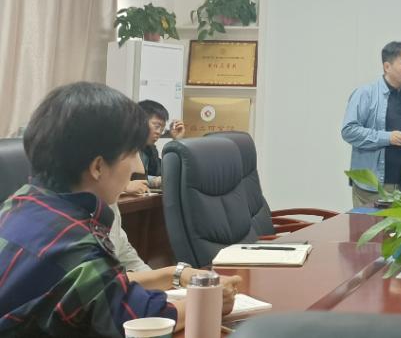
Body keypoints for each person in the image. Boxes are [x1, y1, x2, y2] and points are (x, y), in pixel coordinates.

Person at [0, 82, 240, 336]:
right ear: (98, 167)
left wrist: (174, 273)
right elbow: (139, 320)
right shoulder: (74, 244)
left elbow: (102, 286)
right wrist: (209, 301)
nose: (137, 166)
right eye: (132, 153)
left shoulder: (21, 202)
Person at [342, 41, 401, 208]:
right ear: (387, 66)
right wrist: (387, 138)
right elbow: (349, 130)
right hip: (370, 189)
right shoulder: (365, 94)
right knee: (368, 226)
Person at [123, 99, 184, 195]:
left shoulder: (150, 149)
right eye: (157, 126)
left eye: (162, 129)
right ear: (139, 121)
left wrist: (177, 140)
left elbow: (162, 172)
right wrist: (125, 186)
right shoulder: (122, 145)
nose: (159, 132)